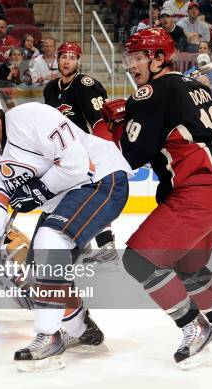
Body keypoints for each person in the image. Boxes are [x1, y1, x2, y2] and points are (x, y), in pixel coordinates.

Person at [0, 81, 132, 371]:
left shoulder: (32, 116)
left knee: (50, 241)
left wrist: (39, 190)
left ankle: (48, 336)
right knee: (37, 272)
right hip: (66, 198)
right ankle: (80, 329)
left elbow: (78, 164)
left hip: (101, 179)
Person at [101, 28, 212, 368]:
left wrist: (119, 122)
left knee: (141, 259)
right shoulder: (197, 86)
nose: (133, 64)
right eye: (132, 57)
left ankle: (195, 326)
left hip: (199, 187)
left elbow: (132, 155)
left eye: (139, 57)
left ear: (158, 58)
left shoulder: (150, 92)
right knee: (188, 265)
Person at [43, 42, 120, 264]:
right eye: (63, 56)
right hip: (63, 155)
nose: (67, 61)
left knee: (92, 199)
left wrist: (103, 154)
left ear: (79, 61)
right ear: (57, 59)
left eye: (72, 57)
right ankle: (81, 244)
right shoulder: (50, 88)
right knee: (69, 200)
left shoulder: (85, 85)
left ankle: (107, 247)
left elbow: (99, 122)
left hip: (88, 153)